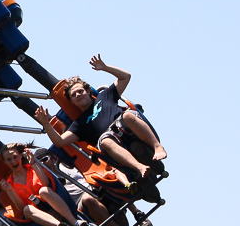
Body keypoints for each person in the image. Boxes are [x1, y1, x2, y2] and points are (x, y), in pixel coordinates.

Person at [34, 54, 166, 180]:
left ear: (88, 91)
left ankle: (157, 147)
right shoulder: (79, 124)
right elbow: (60, 142)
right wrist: (46, 123)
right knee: (105, 141)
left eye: (80, 91)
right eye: (74, 95)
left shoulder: (104, 96)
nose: (78, 95)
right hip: (111, 141)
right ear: (72, 102)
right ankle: (140, 167)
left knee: (127, 116)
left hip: (126, 125)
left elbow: (126, 77)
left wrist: (105, 67)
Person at [33, 148, 145, 226]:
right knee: (88, 199)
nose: (43, 164)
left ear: (53, 158)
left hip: (93, 187)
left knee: (110, 176)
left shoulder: (67, 163)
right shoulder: (47, 179)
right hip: (80, 202)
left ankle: (137, 213)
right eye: (40, 163)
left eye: (45, 159)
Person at [0, 142, 85, 226]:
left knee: (43, 190)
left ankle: (74, 222)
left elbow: (45, 183)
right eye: (9, 159)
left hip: (49, 202)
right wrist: (10, 191)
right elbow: (21, 208)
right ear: (5, 162)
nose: (13, 161)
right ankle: (60, 225)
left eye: (15, 157)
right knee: (27, 209)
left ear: (21, 156)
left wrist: (33, 163)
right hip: (36, 212)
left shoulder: (32, 168)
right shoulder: (9, 184)